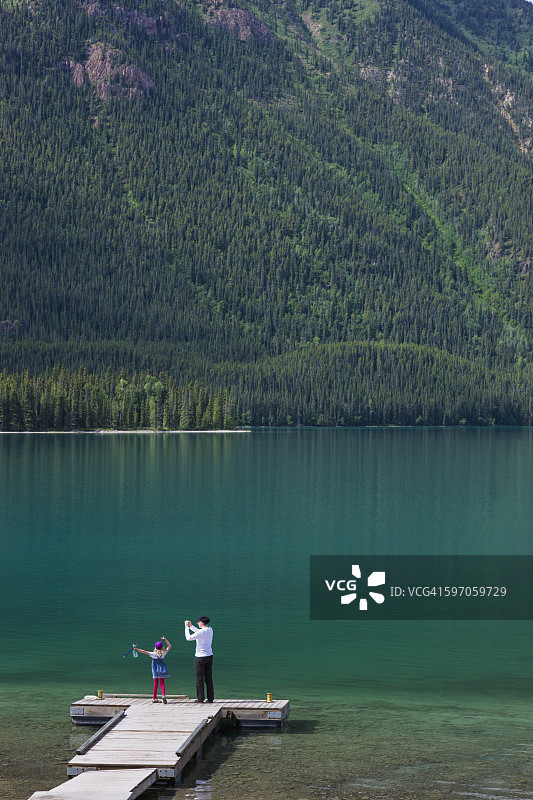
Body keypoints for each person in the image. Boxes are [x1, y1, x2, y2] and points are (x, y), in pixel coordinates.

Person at [184, 617, 214, 703]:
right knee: (208, 678)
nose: (197, 623)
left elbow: (188, 638)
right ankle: (210, 698)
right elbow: (198, 632)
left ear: (201, 622)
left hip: (200, 657)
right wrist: (191, 626)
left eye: (198, 622)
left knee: (199, 678)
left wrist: (186, 627)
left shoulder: (201, 632)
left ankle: (200, 699)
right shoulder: (210, 629)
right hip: (209, 655)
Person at [134, 636, 171, 703]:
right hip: (162, 669)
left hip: (155, 670)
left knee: (155, 685)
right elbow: (169, 646)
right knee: (162, 684)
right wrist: (165, 639)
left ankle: (154, 698)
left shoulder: (153, 654)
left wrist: (136, 649)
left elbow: (144, 651)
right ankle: (163, 695)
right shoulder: (163, 653)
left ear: (155, 647)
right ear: (162, 647)